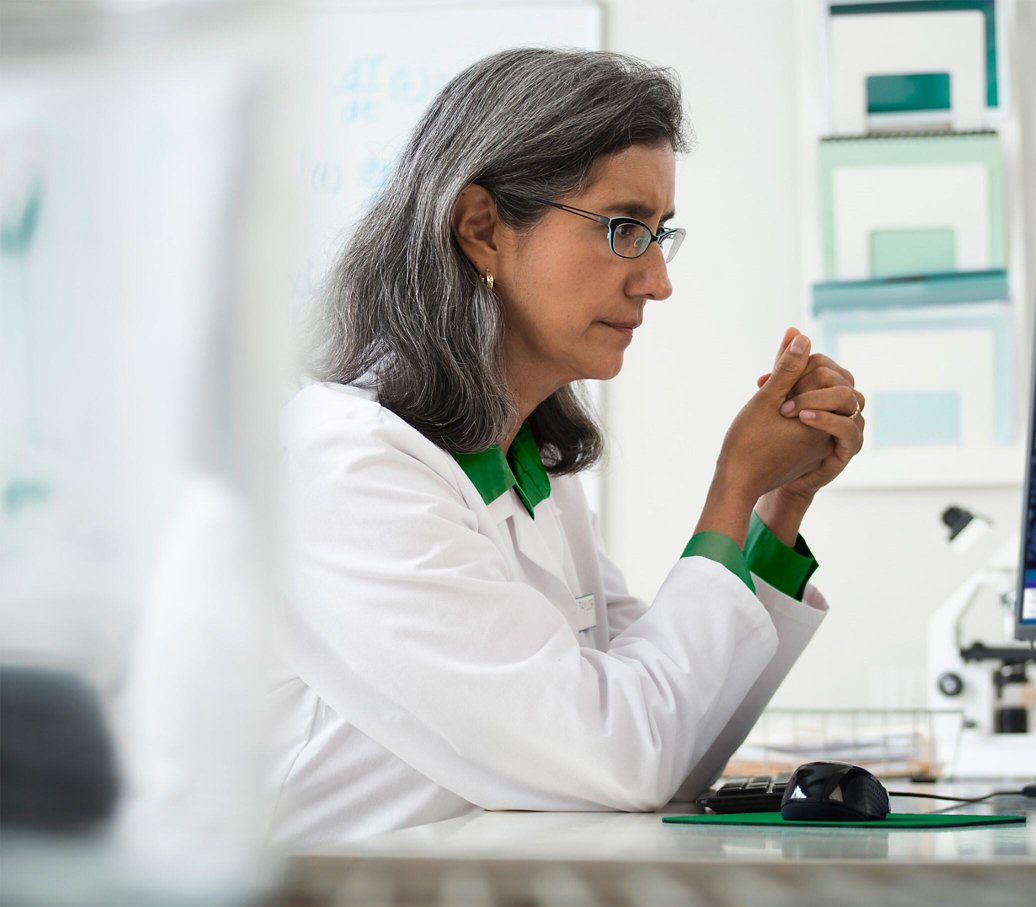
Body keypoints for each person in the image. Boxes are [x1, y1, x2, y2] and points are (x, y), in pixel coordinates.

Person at [267, 48, 865, 847]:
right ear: (482, 230)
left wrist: (776, 506)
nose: (657, 280)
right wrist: (732, 485)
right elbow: (626, 760)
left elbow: (674, 753)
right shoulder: (345, 468)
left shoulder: (531, 475)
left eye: (660, 235)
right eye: (624, 229)